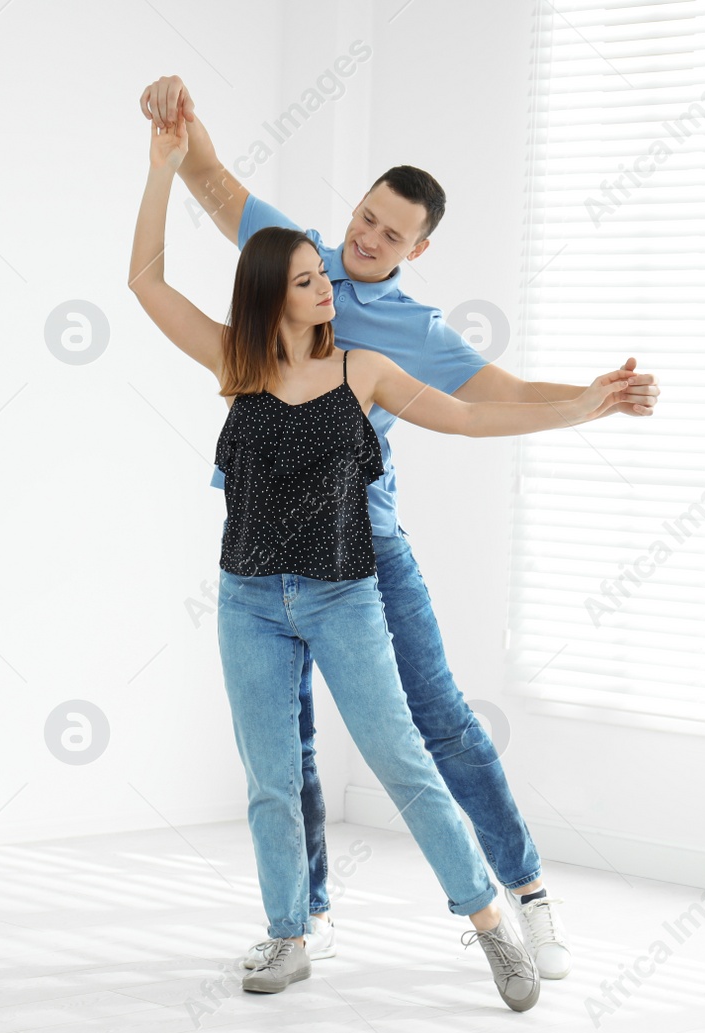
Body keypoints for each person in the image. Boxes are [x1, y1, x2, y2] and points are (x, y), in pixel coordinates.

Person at [138, 75, 661, 980]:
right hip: (261, 557)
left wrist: (587, 402)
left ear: (420, 247)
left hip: (361, 542)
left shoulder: (397, 339)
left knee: (438, 726)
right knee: (284, 742)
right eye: (366, 216)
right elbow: (213, 187)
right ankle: (302, 919)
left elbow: (486, 402)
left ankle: (524, 897)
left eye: (391, 231)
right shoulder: (287, 275)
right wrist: (178, 129)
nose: (365, 238)